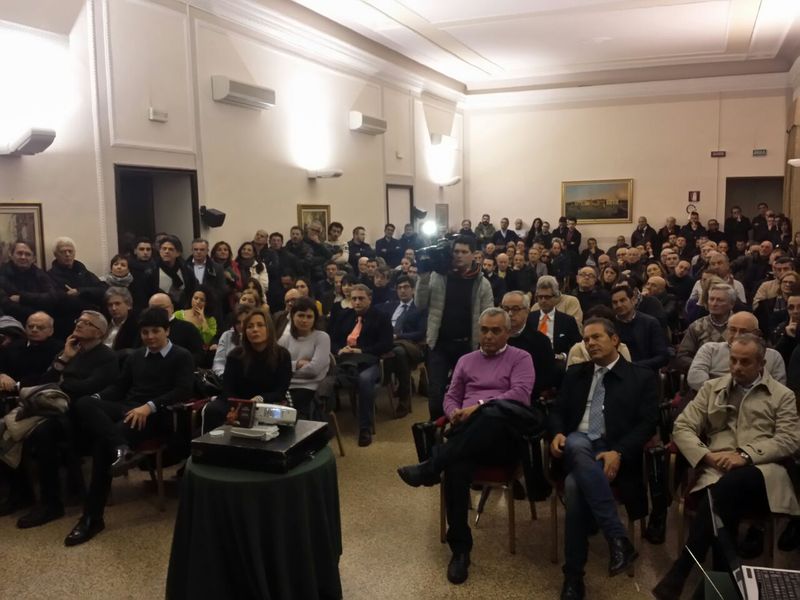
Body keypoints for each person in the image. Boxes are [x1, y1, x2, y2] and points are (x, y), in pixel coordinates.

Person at [396, 308, 538, 585]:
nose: (488, 336)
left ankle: (431, 466)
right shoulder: (466, 360)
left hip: (504, 438)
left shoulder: (521, 358)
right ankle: (460, 550)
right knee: (456, 469)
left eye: (495, 330)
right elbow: (451, 397)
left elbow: (519, 396)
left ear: (507, 333)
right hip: (466, 436)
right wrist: (454, 414)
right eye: (484, 330)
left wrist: (478, 407)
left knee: (493, 414)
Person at [654, 334, 800, 599]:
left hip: (763, 473)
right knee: (723, 510)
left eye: (745, 362)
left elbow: (789, 439)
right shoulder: (712, 388)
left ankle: (682, 568)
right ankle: (721, 591)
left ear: (761, 363)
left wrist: (745, 455)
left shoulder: (782, 395)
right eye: (733, 360)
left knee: (722, 493)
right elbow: (682, 427)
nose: (736, 367)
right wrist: (706, 456)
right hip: (717, 469)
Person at [549, 318, 658, 600]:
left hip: (613, 447)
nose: (590, 343)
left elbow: (647, 424)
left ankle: (573, 576)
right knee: (576, 441)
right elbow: (557, 410)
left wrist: (618, 452)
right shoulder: (576, 373)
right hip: (578, 441)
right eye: (586, 339)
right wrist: (557, 432)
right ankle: (617, 537)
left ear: (615, 340)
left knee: (574, 487)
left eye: (596, 337)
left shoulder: (641, 377)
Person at [68, 307, 194, 545]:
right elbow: (119, 387)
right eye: (145, 332)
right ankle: (121, 447)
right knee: (84, 402)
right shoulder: (135, 357)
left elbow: (183, 391)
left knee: (101, 445)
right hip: (128, 409)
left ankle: (92, 518)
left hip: (156, 417)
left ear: (167, 331)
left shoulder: (181, 356)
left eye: (155, 331)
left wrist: (149, 406)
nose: (150, 337)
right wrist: (98, 399)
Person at [15, 311, 119, 529]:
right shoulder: (72, 351)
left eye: (87, 323)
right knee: (35, 433)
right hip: (61, 412)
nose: (79, 324)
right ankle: (44, 500)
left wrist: (61, 385)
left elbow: (91, 387)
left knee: (45, 433)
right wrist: (65, 358)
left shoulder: (107, 356)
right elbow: (45, 381)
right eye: (79, 321)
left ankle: (51, 502)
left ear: (99, 332)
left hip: (87, 418)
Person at [415, 235, 494, 419]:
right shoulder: (438, 276)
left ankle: (460, 430)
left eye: (464, 252)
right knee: (435, 394)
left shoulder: (482, 283)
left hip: (468, 346)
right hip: (439, 344)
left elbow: (488, 316)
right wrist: (423, 277)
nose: (459, 255)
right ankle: (435, 429)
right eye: (456, 251)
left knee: (467, 393)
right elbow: (419, 304)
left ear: (473, 255)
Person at [203, 308, 292, 432]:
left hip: (268, 402)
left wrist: (260, 398)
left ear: (269, 329)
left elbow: (280, 390)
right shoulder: (235, 355)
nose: (255, 329)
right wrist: (237, 406)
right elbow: (228, 389)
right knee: (213, 409)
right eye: (250, 326)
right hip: (238, 402)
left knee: (281, 417)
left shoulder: (282, 355)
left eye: (260, 325)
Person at [330, 284, 393, 446]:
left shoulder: (381, 317)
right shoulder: (345, 316)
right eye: (354, 299)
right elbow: (332, 340)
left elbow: (386, 344)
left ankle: (365, 428)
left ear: (369, 299)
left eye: (361, 298)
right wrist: (339, 350)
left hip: (370, 360)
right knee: (325, 376)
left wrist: (362, 350)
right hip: (345, 360)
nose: (357, 302)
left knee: (364, 380)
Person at [687, 311, 786, 391]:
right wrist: (724, 393)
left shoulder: (773, 356)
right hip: (712, 400)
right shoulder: (710, 349)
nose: (737, 336)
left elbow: (779, 389)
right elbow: (694, 377)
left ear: (756, 333)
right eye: (733, 330)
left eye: (743, 331)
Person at [378, 275, 427, 417]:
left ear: (413, 289)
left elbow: (420, 333)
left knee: (399, 352)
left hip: (412, 345)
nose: (402, 291)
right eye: (399, 288)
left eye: (406, 287)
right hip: (388, 342)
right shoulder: (390, 306)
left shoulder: (420, 308)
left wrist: (398, 336)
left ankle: (404, 400)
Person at [277, 297, 331, 420]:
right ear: (292, 316)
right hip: (285, 387)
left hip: (310, 388)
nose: (305, 320)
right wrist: (297, 364)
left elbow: (314, 370)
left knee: (290, 413)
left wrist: (287, 369)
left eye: (309, 316)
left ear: (315, 319)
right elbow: (275, 366)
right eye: (301, 315)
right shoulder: (284, 339)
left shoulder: (322, 338)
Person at [502, 291, 556, 397]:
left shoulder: (541, 341)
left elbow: (546, 379)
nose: (510, 314)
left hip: (527, 396)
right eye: (506, 309)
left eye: (515, 309)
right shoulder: (492, 338)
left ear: (527, 311)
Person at [676, 283, 736, 371]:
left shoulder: (741, 325)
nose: (714, 303)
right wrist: (703, 367)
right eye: (711, 299)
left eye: (720, 300)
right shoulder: (697, 326)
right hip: (703, 373)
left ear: (731, 304)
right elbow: (682, 356)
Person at [610, 284, 670, 371]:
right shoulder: (610, 326)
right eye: (615, 302)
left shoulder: (650, 323)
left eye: (623, 300)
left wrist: (634, 366)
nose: (619, 305)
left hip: (645, 371)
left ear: (633, 300)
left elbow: (662, 357)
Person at [0, 311, 62, 391]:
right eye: (30, 326)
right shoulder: (14, 345)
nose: (34, 330)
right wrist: (2, 374)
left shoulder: (58, 349)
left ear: (51, 331)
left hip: (39, 391)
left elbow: (50, 376)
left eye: (40, 327)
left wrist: (17, 385)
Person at [0, 241, 59, 324]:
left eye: (28, 254)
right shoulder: (2, 274)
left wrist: (22, 298)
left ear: (34, 258)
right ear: (11, 255)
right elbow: (7, 306)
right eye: (19, 253)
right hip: (11, 324)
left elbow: (53, 298)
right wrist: (37, 313)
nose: (23, 257)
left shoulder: (40, 274)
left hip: (40, 323)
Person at [530, 276, 582, 362]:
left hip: (558, 361)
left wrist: (563, 356)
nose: (543, 300)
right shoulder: (529, 318)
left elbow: (578, 346)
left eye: (547, 297)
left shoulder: (568, 321)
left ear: (555, 297)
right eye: (540, 297)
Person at [147, 293, 204, 366]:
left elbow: (199, 355)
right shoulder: (146, 329)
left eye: (163, 308)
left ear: (172, 308)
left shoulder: (188, 328)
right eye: (154, 309)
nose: (158, 312)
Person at [212, 305, 252, 376]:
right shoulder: (226, 336)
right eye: (238, 322)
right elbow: (218, 363)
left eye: (245, 322)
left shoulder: (257, 338)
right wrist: (224, 376)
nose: (242, 326)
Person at [103, 286, 139, 352]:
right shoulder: (104, 323)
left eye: (117, 304)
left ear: (129, 305)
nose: (113, 308)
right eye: (110, 305)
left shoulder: (135, 326)